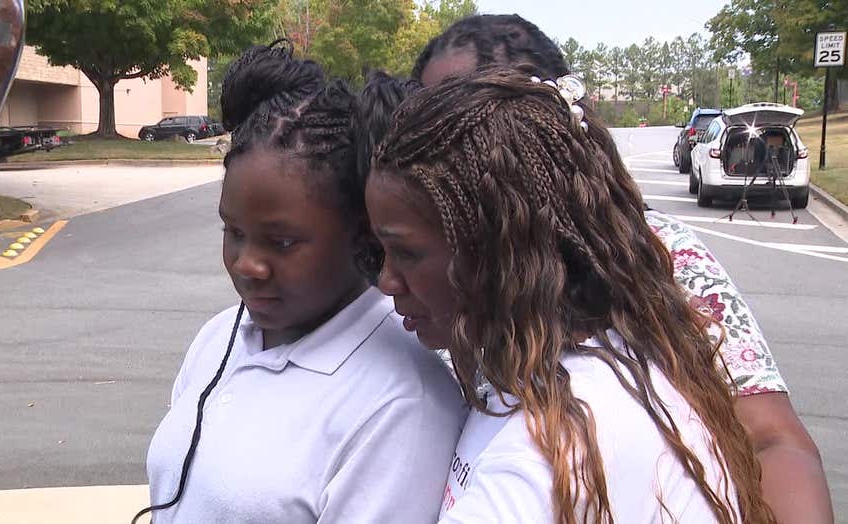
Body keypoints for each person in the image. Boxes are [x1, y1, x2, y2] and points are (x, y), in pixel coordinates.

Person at [408, 15, 832, 523]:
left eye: (468, 119)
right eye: (427, 118)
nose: (439, 145)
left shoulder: (657, 253)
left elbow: (772, 440)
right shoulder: (416, 261)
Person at [139, 41, 467, 524]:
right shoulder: (218, 339)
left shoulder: (404, 402)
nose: (248, 265)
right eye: (234, 232)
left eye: (283, 242)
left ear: (362, 233)